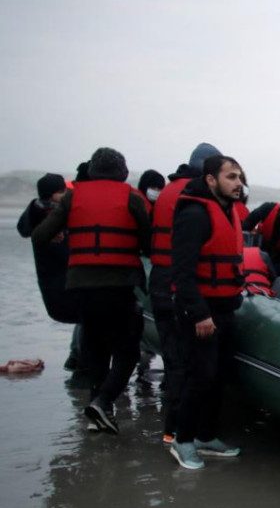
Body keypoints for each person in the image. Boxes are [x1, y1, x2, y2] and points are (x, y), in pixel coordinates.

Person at [32, 147, 151, 434]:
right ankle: (103, 401)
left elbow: (39, 236)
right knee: (127, 352)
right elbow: (149, 242)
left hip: (82, 286)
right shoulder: (132, 197)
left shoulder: (74, 197)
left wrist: (65, 236)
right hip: (119, 286)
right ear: (122, 171)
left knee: (95, 348)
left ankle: (99, 412)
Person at [168, 155, 249, 469]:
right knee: (199, 376)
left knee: (218, 376)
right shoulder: (195, 214)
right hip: (200, 310)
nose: (238, 183)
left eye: (239, 177)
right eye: (231, 177)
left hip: (224, 306)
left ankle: (205, 435)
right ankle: (182, 440)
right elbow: (182, 271)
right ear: (211, 179)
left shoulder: (227, 211)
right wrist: (199, 313)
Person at [148, 142, 222, 443]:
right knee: (188, 363)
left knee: (175, 359)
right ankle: (178, 431)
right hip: (183, 283)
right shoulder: (197, 196)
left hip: (161, 279)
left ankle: (174, 428)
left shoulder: (168, 191)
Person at [17, 173, 83, 368]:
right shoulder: (39, 214)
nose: (65, 195)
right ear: (49, 195)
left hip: (70, 275)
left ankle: (76, 358)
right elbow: (24, 229)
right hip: (56, 277)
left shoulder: (62, 212)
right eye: (60, 192)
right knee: (85, 316)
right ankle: (78, 358)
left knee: (84, 316)